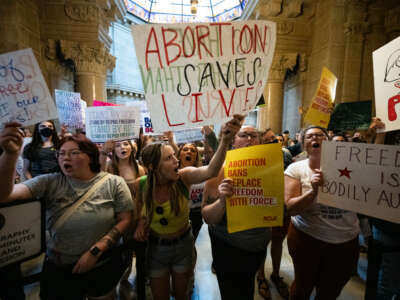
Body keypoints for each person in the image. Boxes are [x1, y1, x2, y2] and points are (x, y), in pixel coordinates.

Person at [0, 122, 134, 300]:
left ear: (90, 157)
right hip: (59, 268)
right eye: (61, 154)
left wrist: (97, 250)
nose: (65, 158)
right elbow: (5, 196)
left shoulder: (113, 182)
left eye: (74, 153)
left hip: (103, 264)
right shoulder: (49, 182)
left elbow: (125, 219)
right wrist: (10, 154)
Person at [134, 115, 243, 300]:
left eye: (174, 156)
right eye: (169, 158)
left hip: (183, 247)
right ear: (153, 167)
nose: (176, 161)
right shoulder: (141, 185)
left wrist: (224, 140)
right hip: (156, 249)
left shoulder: (183, 178)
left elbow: (211, 171)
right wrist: (140, 224)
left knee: (181, 295)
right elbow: (139, 208)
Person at [284, 125, 360, 300]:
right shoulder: (296, 170)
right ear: (303, 144)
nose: (315, 138)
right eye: (309, 136)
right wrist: (313, 192)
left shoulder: (353, 167)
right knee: (302, 287)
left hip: (346, 240)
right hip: (307, 238)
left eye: (320, 135)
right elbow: (291, 207)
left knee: (331, 289)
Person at [202, 125, 272, 300]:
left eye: (253, 135)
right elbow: (207, 216)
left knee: (247, 287)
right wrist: (222, 201)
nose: (249, 139)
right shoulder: (218, 169)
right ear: (233, 141)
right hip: (229, 248)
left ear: (260, 141)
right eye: (244, 135)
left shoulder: (272, 168)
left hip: (258, 246)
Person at [100, 139, 145, 299]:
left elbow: (144, 197)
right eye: (118, 145)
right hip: (117, 221)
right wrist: (103, 152)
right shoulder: (109, 168)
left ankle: (138, 286)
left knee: (140, 256)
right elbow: (97, 179)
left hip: (137, 219)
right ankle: (121, 282)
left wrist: (141, 221)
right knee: (121, 257)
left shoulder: (140, 169)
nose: (122, 147)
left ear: (132, 148)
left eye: (125, 144)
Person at [254, 128, 292, 300]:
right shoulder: (254, 157)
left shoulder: (285, 155)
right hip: (261, 206)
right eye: (268, 139)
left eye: (274, 139)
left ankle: (275, 274)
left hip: (281, 206)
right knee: (262, 243)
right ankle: (260, 275)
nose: (273, 142)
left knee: (278, 241)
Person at [366, 117, 400, 300]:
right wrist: (379, 135)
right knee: (387, 279)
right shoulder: (387, 129)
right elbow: (373, 168)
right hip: (390, 221)